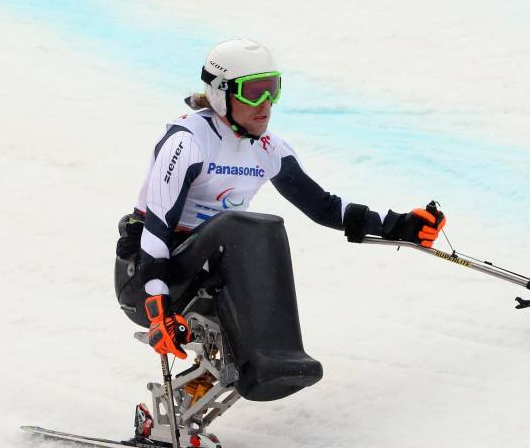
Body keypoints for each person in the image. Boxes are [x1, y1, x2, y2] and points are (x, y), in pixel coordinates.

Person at [114, 38, 445, 399]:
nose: (265, 105)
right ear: (222, 93)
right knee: (242, 227)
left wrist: (398, 226)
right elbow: (156, 230)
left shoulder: (269, 149)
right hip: (147, 276)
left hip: (208, 271)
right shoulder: (189, 141)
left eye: (272, 90)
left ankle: (269, 366)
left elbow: (325, 208)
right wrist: (157, 307)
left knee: (257, 232)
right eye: (254, 93)